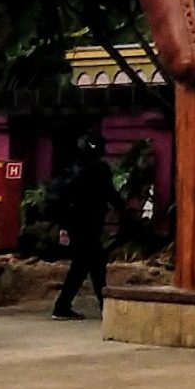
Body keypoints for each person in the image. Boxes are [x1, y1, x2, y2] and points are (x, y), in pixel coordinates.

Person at [50, 131, 120, 320]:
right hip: (89, 226)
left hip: (76, 226)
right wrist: (125, 211)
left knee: (88, 266)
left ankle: (67, 305)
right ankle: (70, 306)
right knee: (92, 265)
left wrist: (64, 227)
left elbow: (65, 199)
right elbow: (110, 194)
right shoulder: (100, 169)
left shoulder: (75, 168)